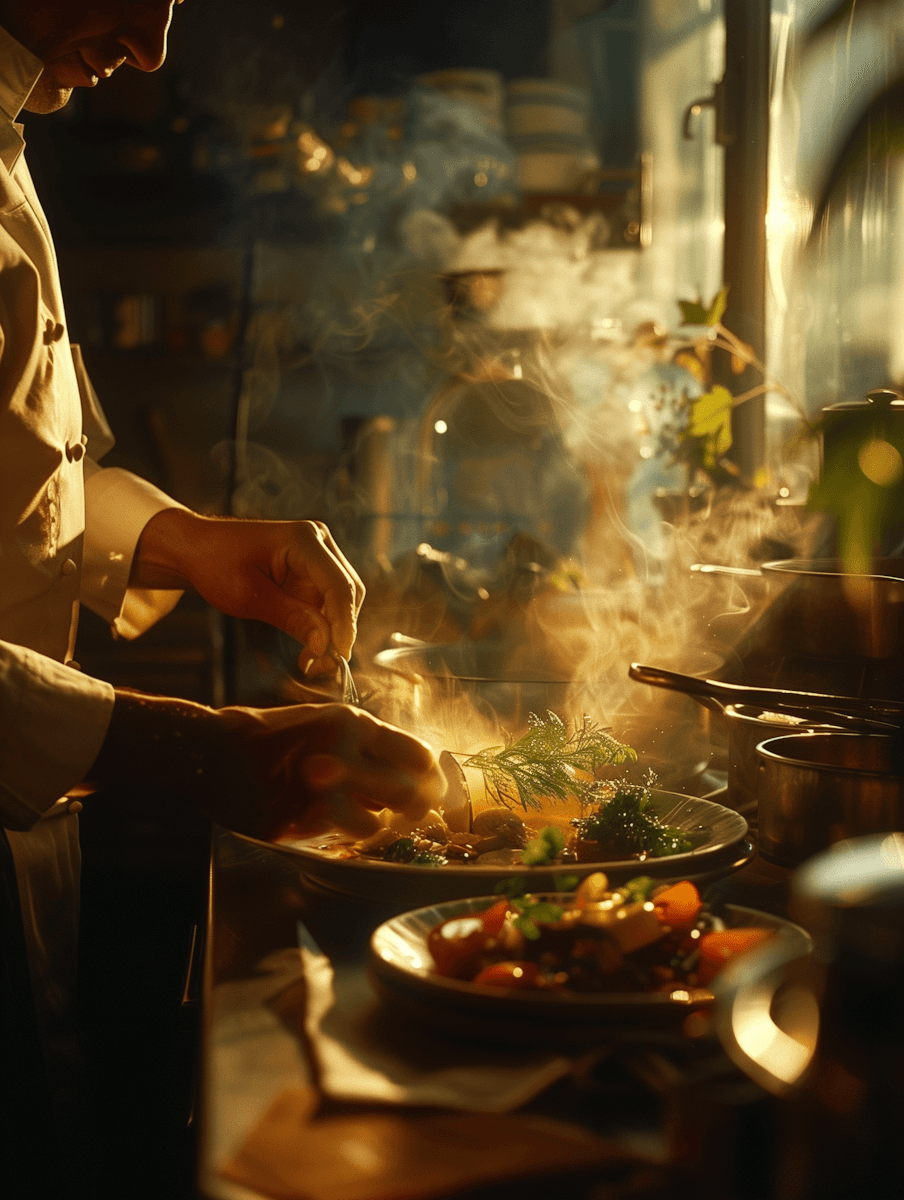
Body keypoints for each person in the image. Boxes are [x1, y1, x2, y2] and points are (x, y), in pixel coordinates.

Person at [0, 0, 446, 1151]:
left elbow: (20, 476)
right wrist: (182, 744)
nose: (150, 47)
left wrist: (181, 539)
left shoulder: (12, 132)